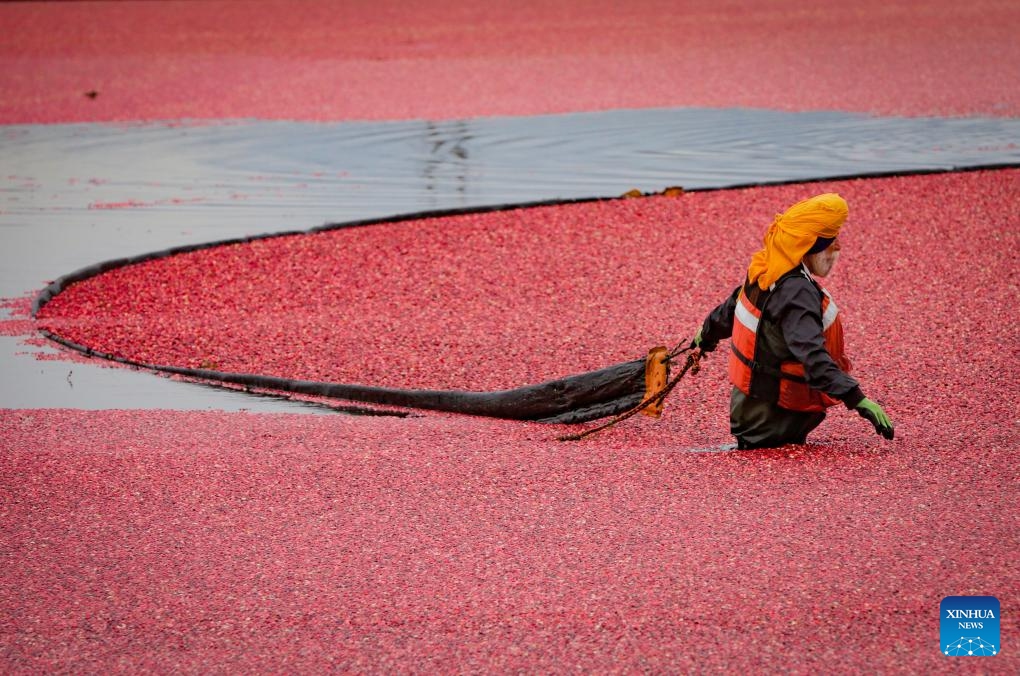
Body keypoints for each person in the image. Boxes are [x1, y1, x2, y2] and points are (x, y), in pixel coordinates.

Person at [692, 193, 894, 449]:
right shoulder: (797, 294)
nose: (839, 247)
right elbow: (813, 357)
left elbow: (729, 310)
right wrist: (859, 400)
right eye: (833, 241)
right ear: (811, 246)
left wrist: (705, 334)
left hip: (749, 409)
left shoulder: (765, 268)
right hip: (774, 417)